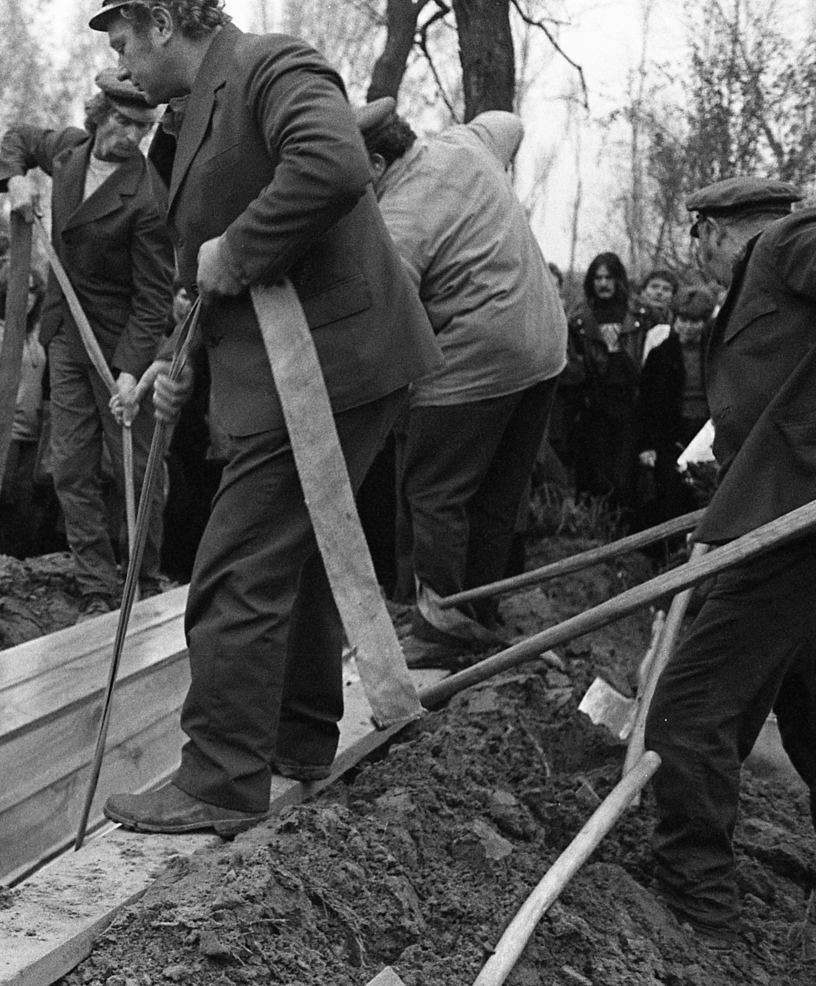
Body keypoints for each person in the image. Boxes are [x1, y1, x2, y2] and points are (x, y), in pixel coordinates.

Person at [90, 0, 441, 835]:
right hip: (287, 365)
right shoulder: (189, 115)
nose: (120, 65)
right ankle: (297, 736)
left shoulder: (272, 64)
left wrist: (238, 250)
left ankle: (218, 779)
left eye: (122, 43)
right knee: (304, 546)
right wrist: (186, 366)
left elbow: (330, 162)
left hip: (327, 359)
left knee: (236, 567)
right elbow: (200, 275)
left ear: (164, 24)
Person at [644, 176, 815, 948]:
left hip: (793, 529)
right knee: (809, 710)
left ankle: (699, 904)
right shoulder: (766, 278)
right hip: (773, 514)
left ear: (713, 229)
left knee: (687, 705)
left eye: (698, 240)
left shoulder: (785, 244)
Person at [355, 100, 566, 648]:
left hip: (476, 360)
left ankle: (438, 628)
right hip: (544, 348)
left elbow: (389, 325)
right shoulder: (465, 144)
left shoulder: (398, 219)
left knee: (434, 492)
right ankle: (478, 614)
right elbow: (510, 123)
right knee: (496, 497)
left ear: (377, 165)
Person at [0, 69, 176, 612]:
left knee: (135, 471)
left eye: (142, 127)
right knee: (70, 464)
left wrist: (131, 369)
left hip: (121, 345)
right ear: (99, 115)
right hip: (66, 335)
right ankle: (97, 583)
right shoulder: (70, 152)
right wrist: (16, 178)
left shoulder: (146, 197)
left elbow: (153, 299)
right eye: (122, 122)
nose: (131, 136)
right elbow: (20, 138)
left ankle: (142, 578)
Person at [0, 270, 57, 559]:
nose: (27, 298)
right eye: (21, 290)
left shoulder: (34, 332)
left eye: (33, 292)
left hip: (32, 433)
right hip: (3, 434)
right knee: (0, 507)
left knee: (26, 509)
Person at [562, 252, 641, 518]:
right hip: (594, 405)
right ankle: (598, 531)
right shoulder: (580, 319)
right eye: (598, 277)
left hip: (631, 403)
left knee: (627, 474)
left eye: (609, 277)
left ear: (619, 279)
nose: (603, 283)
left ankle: (627, 534)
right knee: (597, 472)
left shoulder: (639, 315)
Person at [635, 285, 714, 533]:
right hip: (671, 435)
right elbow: (645, 403)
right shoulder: (661, 355)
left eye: (695, 321)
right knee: (672, 497)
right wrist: (646, 445)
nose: (689, 327)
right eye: (684, 320)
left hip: (706, 432)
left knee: (705, 495)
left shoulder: (714, 353)